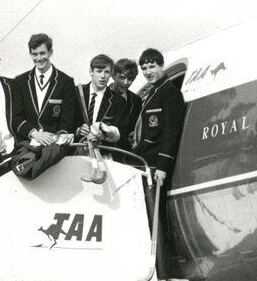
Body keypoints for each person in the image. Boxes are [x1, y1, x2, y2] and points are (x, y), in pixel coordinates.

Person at [12, 33, 78, 180]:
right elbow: (16, 118)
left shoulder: (65, 82)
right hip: (29, 144)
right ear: (30, 54)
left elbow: (67, 120)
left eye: (42, 53)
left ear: (50, 52)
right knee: (22, 168)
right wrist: (35, 133)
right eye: (34, 54)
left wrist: (54, 139)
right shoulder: (20, 82)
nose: (39, 58)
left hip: (53, 148)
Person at [132, 48, 186, 188]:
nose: (148, 72)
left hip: (156, 164)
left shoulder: (170, 93)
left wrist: (162, 166)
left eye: (152, 66)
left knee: (157, 208)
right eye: (144, 68)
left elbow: (171, 132)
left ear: (161, 66)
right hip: (146, 161)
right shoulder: (153, 92)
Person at [76, 54, 124, 146]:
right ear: (91, 71)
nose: (102, 76)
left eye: (106, 72)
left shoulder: (118, 101)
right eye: (99, 71)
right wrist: (78, 131)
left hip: (103, 152)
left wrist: (103, 137)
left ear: (111, 74)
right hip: (77, 150)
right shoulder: (76, 93)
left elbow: (121, 133)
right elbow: (66, 122)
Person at [110, 58, 143, 155]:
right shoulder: (101, 96)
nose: (126, 83)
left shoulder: (136, 101)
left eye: (130, 79)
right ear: (113, 75)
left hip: (125, 153)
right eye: (122, 77)